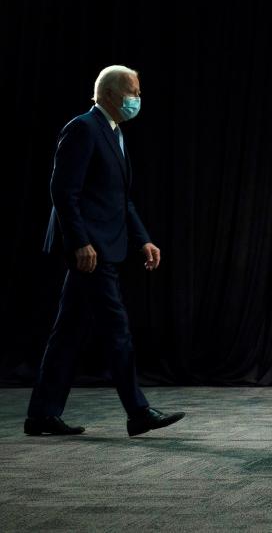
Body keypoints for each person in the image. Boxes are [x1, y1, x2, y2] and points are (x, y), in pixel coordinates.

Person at [25, 65, 184, 437]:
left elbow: (119, 199)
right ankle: (138, 412)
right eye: (134, 92)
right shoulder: (83, 128)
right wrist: (79, 241)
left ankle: (41, 415)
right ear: (111, 94)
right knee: (117, 330)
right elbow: (63, 191)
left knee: (68, 333)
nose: (138, 99)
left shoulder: (114, 133)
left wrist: (142, 238)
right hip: (90, 250)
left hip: (103, 246)